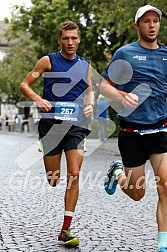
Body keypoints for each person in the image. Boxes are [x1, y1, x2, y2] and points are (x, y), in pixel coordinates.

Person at [19, 20, 95, 247]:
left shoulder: (85, 65)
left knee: (74, 173)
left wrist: (89, 104)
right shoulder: (48, 61)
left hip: (76, 126)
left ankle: (65, 230)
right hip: (51, 126)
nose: (70, 42)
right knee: (54, 180)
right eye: (66, 38)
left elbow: (89, 89)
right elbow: (25, 84)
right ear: (60, 40)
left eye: (74, 38)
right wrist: (38, 99)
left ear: (79, 39)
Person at [100, 5, 167, 252]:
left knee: (165, 186)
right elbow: (104, 86)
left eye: (155, 21)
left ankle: (163, 245)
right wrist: (120, 94)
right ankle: (117, 171)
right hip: (132, 133)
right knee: (137, 193)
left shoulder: (166, 56)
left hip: (160, 129)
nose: (152, 25)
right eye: (146, 21)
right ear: (137, 25)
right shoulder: (125, 53)